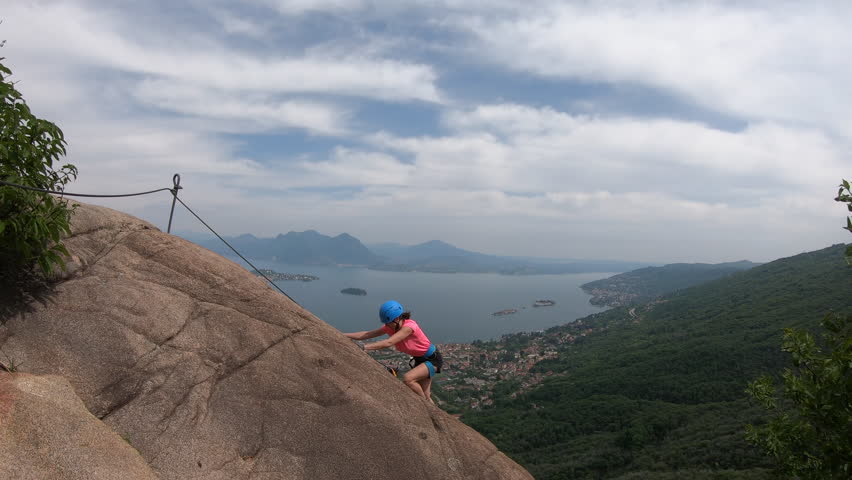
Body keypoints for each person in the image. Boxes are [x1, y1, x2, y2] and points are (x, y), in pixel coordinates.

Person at [344, 300, 443, 402]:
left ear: (396, 318)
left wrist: (365, 347)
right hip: (420, 360)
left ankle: (425, 406)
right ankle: (429, 407)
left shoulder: (409, 327)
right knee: (427, 396)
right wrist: (343, 335)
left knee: (408, 379)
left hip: (432, 359)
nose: (387, 325)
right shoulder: (390, 326)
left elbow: (389, 342)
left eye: (388, 322)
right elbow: (368, 334)